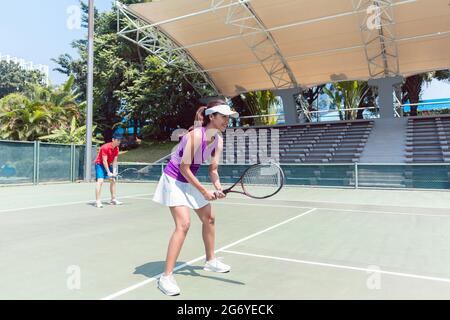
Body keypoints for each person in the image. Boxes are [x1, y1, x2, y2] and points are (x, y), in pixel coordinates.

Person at [153, 100, 239, 296]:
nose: (227, 121)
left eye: (228, 117)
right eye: (223, 117)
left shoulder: (218, 139)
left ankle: (210, 261)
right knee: (183, 224)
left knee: (209, 218)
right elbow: (183, 168)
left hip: (189, 180)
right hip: (174, 179)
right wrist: (203, 191)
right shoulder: (195, 136)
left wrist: (217, 187)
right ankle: (166, 277)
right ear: (212, 117)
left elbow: (213, 170)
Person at [94, 132, 124, 208]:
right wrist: (108, 172)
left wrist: (114, 171)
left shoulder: (117, 148)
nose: (119, 142)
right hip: (100, 164)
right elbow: (104, 161)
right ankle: (97, 201)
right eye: (117, 140)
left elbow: (115, 161)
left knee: (113, 180)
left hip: (108, 164)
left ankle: (113, 200)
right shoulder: (105, 147)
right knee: (100, 181)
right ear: (113, 139)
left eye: (120, 140)